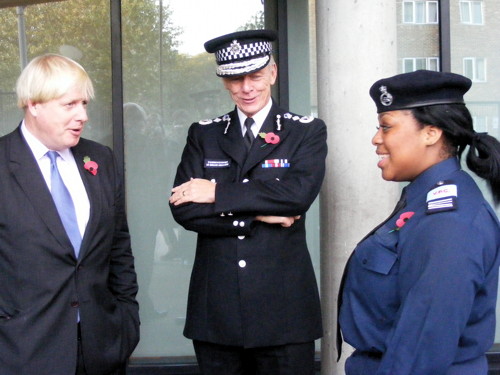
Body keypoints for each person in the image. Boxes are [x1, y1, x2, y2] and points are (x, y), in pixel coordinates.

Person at [169, 29, 327, 375]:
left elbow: (296, 196)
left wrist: (217, 193)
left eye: (255, 76)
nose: (247, 87)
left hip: (284, 310)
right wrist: (255, 217)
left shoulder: (305, 131)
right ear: (224, 82)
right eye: (235, 78)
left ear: (272, 72)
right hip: (218, 310)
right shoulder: (205, 133)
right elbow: (184, 209)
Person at [338, 69, 500, 374]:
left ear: (431, 133)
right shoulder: (423, 201)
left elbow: (422, 346)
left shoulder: (450, 222)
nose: (376, 139)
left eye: (386, 127)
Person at [0, 54, 140, 374]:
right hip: (21, 353)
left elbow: (119, 248)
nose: (83, 115)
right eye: (70, 105)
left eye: (85, 104)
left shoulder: (100, 159)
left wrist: (126, 322)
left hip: (102, 349)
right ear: (33, 104)